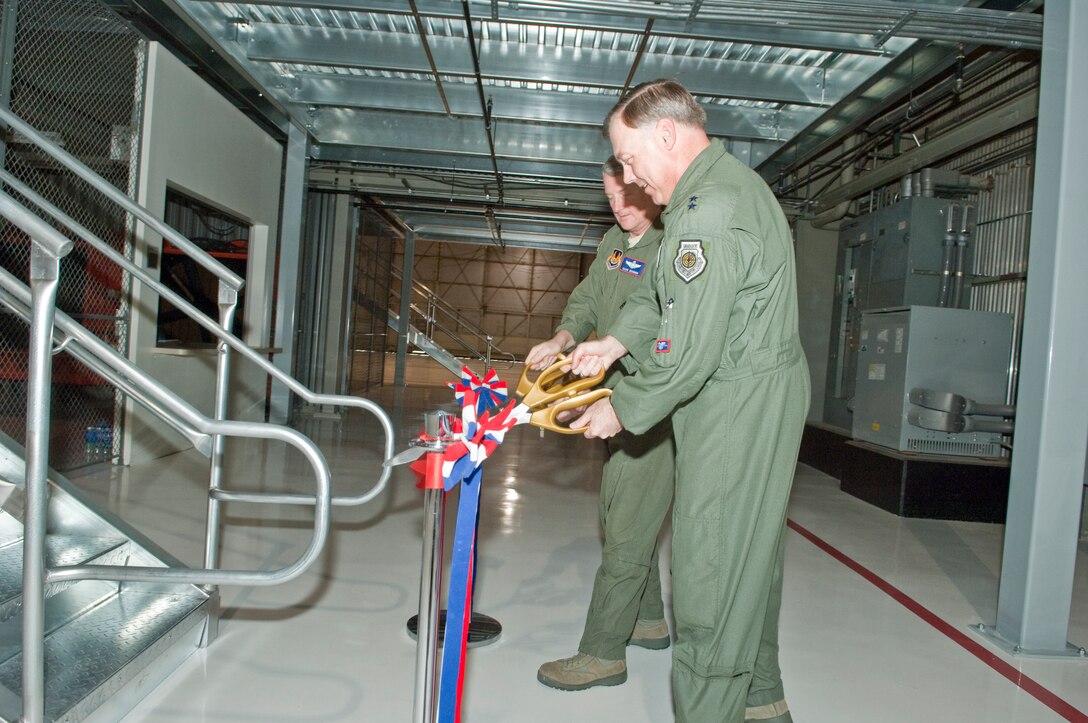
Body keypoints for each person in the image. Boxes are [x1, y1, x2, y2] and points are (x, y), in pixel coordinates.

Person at [567, 80, 810, 723]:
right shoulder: (705, 194)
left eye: (628, 156)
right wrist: (613, 343)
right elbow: (659, 295)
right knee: (749, 558)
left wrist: (621, 406)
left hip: (736, 399)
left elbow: (692, 348)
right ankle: (761, 700)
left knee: (709, 570)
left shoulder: (709, 211)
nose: (629, 177)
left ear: (666, 134)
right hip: (746, 389)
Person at [527, 157, 675, 692]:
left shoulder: (674, 245)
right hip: (612, 400)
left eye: (627, 195)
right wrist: (562, 338)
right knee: (621, 516)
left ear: (651, 187)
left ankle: (604, 652)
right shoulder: (614, 239)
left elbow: (669, 334)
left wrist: (628, 398)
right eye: (609, 196)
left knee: (628, 530)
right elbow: (589, 296)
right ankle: (649, 622)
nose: (618, 206)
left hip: (657, 407)